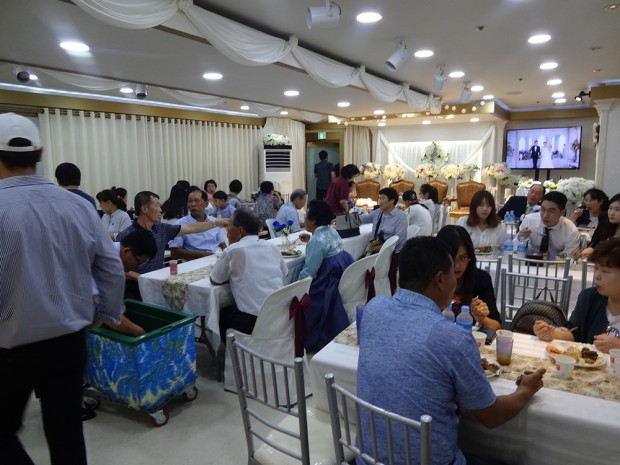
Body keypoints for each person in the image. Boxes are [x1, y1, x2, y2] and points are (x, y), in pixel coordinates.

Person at [0, 112, 125, 465]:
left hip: (9, 347)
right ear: (40, 155)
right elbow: (112, 268)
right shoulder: (79, 206)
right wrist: (104, 314)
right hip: (69, 340)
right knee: (67, 433)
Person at [357, 236, 545, 465]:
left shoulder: (374, 309)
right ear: (440, 280)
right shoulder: (452, 338)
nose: (456, 283)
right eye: (452, 276)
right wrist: (526, 389)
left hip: (367, 458)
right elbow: (492, 416)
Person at [116, 191, 229, 299]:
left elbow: (189, 228)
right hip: (135, 287)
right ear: (144, 209)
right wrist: (140, 278)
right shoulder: (126, 235)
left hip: (158, 282)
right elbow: (116, 267)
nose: (161, 210)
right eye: (157, 206)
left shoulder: (161, 229)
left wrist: (215, 223)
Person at [534, 238, 620, 353]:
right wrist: (551, 333)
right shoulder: (590, 298)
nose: (597, 276)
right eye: (596, 268)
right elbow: (575, 331)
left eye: (605, 271)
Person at [210, 209, 288, 338]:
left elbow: (215, 280)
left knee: (223, 313)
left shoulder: (232, 251)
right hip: (279, 315)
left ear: (240, 231)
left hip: (254, 321)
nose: (227, 233)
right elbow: (284, 273)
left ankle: (231, 353)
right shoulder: (271, 246)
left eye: (228, 227)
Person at [298, 200, 354, 349]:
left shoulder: (316, 241)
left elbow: (309, 272)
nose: (304, 220)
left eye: (306, 217)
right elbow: (326, 247)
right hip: (340, 274)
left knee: (305, 295)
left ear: (313, 219)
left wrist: (294, 287)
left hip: (327, 280)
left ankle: (309, 337)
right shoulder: (331, 230)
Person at [436, 225, 502, 330]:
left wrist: (482, 319)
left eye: (462, 258)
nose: (457, 265)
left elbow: (497, 326)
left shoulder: (480, 279)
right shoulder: (431, 280)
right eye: (451, 258)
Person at [168, 186, 227, 261]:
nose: (193, 204)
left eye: (196, 201)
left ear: (206, 204)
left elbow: (222, 244)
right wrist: (201, 255)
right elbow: (174, 252)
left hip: (217, 259)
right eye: (190, 201)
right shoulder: (181, 224)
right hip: (195, 261)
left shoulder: (214, 222)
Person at [517, 191, 580, 257]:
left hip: (557, 265)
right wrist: (519, 238)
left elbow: (568, 257)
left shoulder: (571, 231)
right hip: (530, 262)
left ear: (562, 212)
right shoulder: (529, 220)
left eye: (551, 211)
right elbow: (515, 249)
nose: (545, 215)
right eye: (543, 209)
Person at [581, 193, 620, 259]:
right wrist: (589, 251)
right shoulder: (605, 224)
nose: (612, 213)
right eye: (610, 208)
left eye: (617, 210)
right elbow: (594, 244)